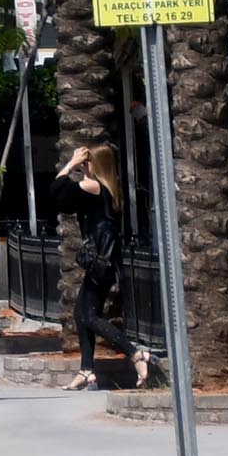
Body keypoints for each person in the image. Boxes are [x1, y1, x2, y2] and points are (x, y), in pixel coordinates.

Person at [51, 143, 153, 389]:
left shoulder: (93, 186)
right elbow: (66, 202)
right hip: (106, 262)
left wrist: (70, 164)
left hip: (100, 263)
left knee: (89, 316)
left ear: (97, 166)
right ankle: (87, 371)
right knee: (81, 313)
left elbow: (57, 192)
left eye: (88, 162)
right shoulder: (107, 189)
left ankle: (135, 353)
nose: (84, 166)